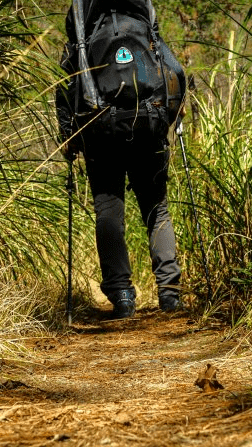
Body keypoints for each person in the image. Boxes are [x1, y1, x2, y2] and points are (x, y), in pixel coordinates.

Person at [56, 0, 183, 319]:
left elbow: (68, 86)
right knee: (156, 207)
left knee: (108, 209)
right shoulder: (143, 16)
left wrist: (68, 135)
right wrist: (169, 119)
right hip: (149, 121)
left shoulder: (82, 18)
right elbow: (175, 71)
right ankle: (170, 293)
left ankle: (122, 295)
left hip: (101, 129)